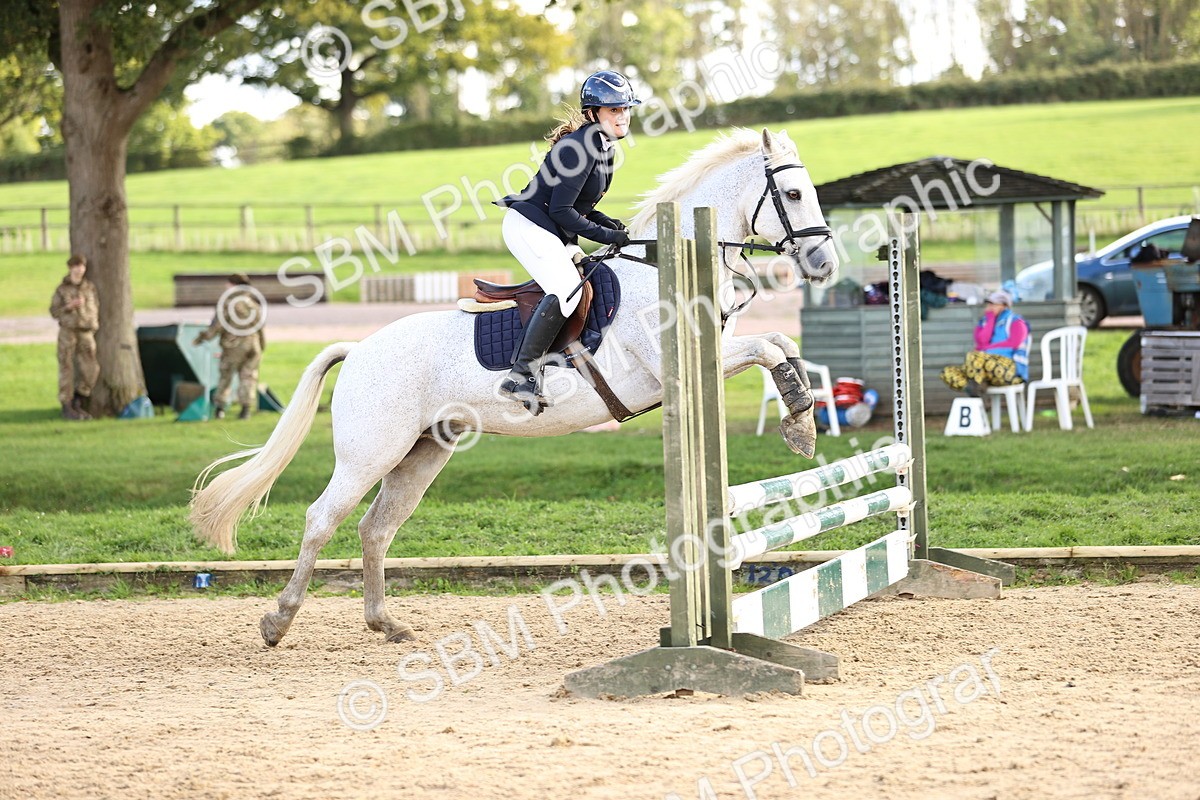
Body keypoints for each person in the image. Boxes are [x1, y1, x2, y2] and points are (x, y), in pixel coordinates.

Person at [492, 69, 640, 415]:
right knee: (566, 288)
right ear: (593, 114)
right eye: (614, 110)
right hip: (529, 225)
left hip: (551, 226)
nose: (623, 116)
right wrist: (605, 236)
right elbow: (560, 210)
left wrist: (606, 222)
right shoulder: (580, 147)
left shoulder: (602, 148)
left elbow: (579, 206)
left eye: (626, 109)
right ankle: (520, 375)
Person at [193, 273, 265, 420]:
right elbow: (260, 327)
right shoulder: (253, 303)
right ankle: (245, 409)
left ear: (233, 285)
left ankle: (220, 408)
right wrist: (262, 345)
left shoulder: (228, 303)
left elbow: (217, 326)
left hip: (234, 345)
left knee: (226, 376)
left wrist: (202, 337)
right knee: (249, 377)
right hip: (254, 344)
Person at [940, 290, 1031, 396]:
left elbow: (1013, 344)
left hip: (1011, 371)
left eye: (994, 304)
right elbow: (981, 342)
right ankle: (975, 391)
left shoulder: (1016, 322)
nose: (990, 306)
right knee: (948, 372)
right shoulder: (984, 322)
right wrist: (990, 320)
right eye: (989, 303)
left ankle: (977, 393)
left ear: (1004, 305)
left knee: (973, 356)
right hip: (985, 372)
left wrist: (985, 349)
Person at [49, 254, 100, 420]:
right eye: (76, 266)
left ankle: (80, 399)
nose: (80, 269)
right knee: (66, 368)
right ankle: (67, 405)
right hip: (68, 332)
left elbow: (96, 307)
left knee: (91, 369)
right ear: (70, 268)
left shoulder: (89, 288)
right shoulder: (62, 289)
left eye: (82, 266)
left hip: (86, 331)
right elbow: (53, 311)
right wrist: (68, 307)